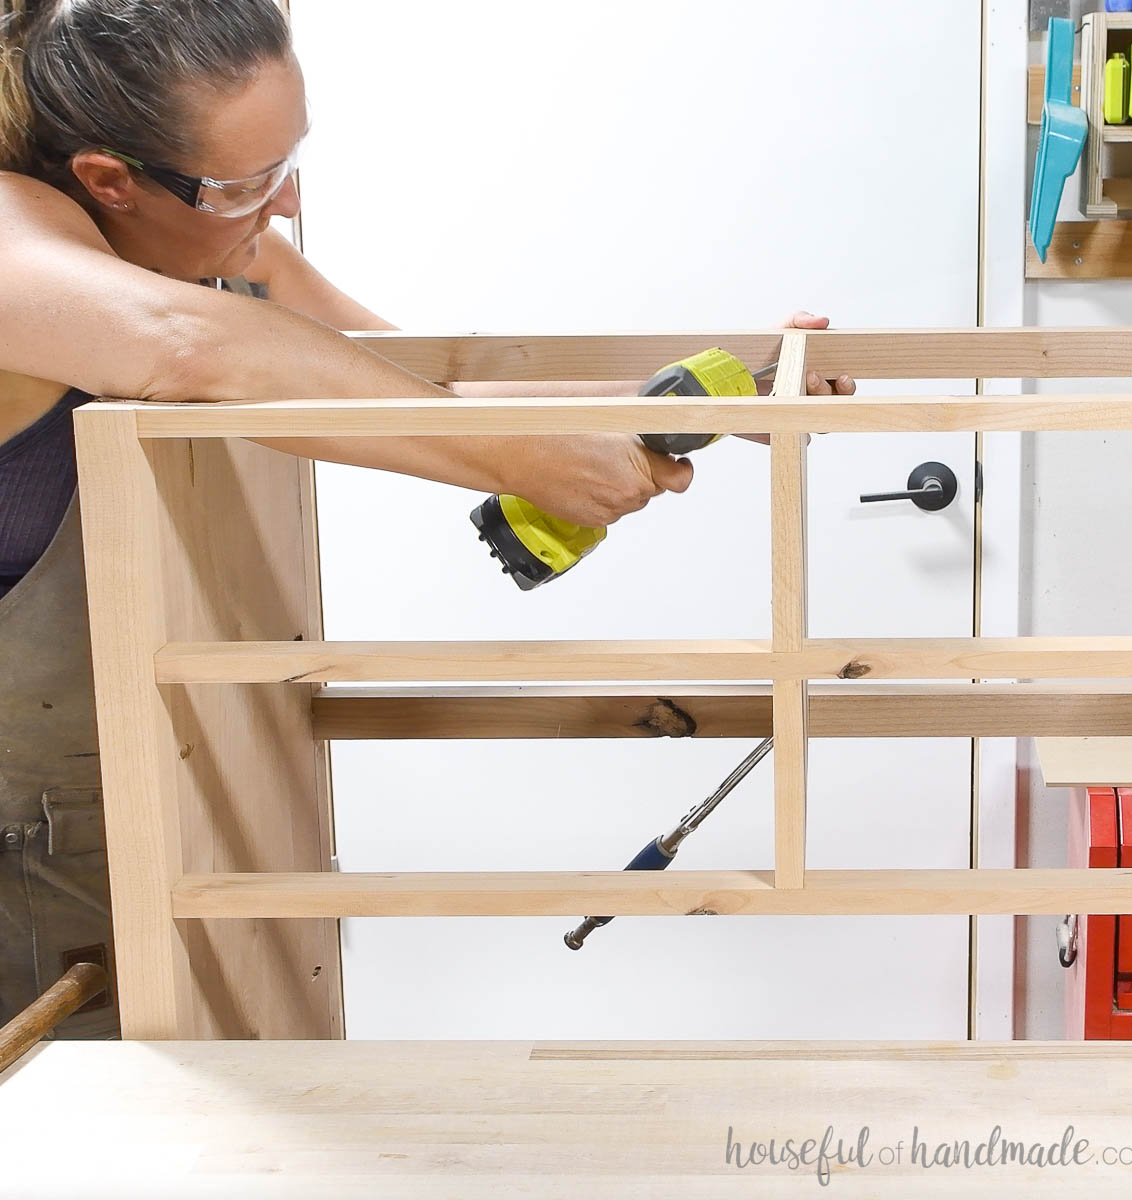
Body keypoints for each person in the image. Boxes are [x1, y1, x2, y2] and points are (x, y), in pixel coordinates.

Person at [0, 0, 856, 1037]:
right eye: (245, 183)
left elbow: (396, 389)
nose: (285, 203)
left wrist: (689, 404)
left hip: (123, 793)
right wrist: (523, 465)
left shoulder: (218, 244)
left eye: (290, 160)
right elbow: (192, 348)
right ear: (107, 180)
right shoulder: (20, 241)